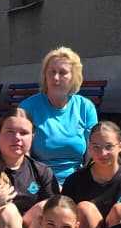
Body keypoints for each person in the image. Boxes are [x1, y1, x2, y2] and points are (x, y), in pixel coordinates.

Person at [21, 47, 97, 183]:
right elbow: (22, 155)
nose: (56, 78)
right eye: (52, 72)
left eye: (62, 73)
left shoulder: (85, 107)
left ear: (74, 77)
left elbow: (92, 153)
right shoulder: (28, 108)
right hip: (39, 180)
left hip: (77, 181)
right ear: (45, 76)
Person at [66, 122, 121, 228]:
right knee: (85, 208)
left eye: (109, 146)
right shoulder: (74, 181)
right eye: (96, 147)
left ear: (120, 146)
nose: (102, 153)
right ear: (89, 147)